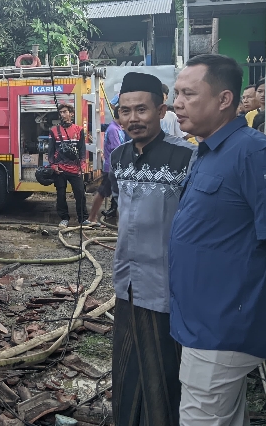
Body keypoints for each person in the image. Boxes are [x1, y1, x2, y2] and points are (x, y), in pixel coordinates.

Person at [170, 55, 266, 426]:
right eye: (176, 93)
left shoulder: (254, 154)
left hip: (221, 327)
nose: (176, 103)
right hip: (201, 320)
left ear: (224, 100)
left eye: (189, 93)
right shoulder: (206, 152)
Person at [110, 72, 196, 426]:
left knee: (163, 369)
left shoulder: (187, 158)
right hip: (126, 282)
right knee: (126, 365)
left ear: (162, 111)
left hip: (166, 285)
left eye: (141, 109)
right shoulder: (118, 157)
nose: (133, 118)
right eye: (125, 111)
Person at [50, 102, 92, 227]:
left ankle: (83, 219)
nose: (62, 114)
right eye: (61, 112)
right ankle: (64, 218)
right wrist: (53, 165)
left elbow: (82, 150)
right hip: (60, 170)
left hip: (75, 169)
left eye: (65, 112)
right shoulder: (54, 131)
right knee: (61, 195)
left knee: (80, 194)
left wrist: (82, 166)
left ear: (71, 114)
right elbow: (51, 151)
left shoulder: (79, 130)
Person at [88, 95, 123, 222]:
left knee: (106, 192)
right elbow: (117, 150)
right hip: (111, 168)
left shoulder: (118, 128)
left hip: (113, 167)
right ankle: (91, 218)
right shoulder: (114, 129)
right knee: (102, 192)